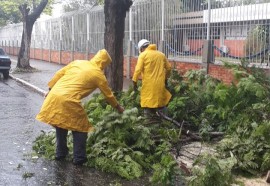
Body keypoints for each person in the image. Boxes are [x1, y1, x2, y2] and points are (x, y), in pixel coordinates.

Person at [36, 49, 124, 165]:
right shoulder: (98, 75)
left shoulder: (78, 62)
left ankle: (60, 153)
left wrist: (50, 90)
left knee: (60, 122)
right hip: (69, 100)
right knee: (81, 127)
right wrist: (118, 107)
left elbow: (59, 74)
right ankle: (79, 158)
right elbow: (108, 95)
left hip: (54, 95)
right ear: (104, 63)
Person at [132, 39, 171, 120]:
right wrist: (166, 79)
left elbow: (138, 70)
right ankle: (165, 123)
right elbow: (169, 68)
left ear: (142, 48)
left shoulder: (143, 55)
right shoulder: (161, 55)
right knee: (161, 104)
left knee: (147, 104)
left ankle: (148, 124)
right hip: (160, 85)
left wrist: (134, 83)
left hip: (148, 86)